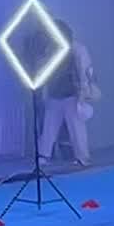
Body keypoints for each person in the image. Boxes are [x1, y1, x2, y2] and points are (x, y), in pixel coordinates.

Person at [37, 20, 94, 166]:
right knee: (49, 128)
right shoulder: (51, 49)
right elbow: (45, 71)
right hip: (55, 94)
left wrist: (83, 93)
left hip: (72, 95)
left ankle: (82, 157)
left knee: (76, 128)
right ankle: (44, 155)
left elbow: (85, 71)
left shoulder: (77, 49)